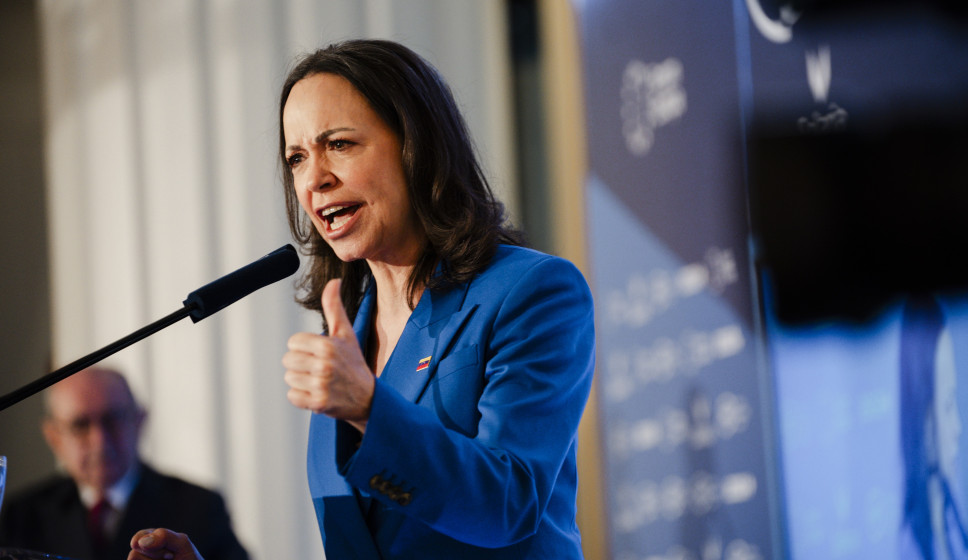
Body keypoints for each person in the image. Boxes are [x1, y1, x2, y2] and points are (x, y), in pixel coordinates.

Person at [128, 38, 595, 560]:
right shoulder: (348, 335)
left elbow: (510, 502)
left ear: (417, 146)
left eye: (340, 145)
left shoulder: (530, 292)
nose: (315, 179)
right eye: (297, 157)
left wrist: (371, 409)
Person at [0, 366, 249, 560]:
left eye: (113, 420)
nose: (99, 441)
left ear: (139, 421)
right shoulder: (22, 515)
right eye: (80, 425)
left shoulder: (199, 506)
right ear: (54, 437)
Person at [899, 295, 968, 560]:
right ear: (924, 417)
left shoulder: (953, 510)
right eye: (948, 405)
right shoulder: (910, 549)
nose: (958, 428)